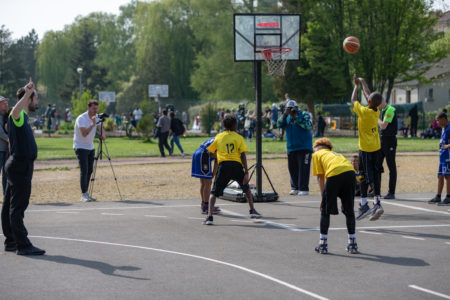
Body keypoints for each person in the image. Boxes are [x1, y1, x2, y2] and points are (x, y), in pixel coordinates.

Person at [1, 78, 45, 255]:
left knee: (10, 205)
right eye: (35, 98)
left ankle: (11, 241)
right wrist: (28, 92)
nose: (37, 102)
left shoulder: (23, 118)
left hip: (16, 164)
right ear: (28, 99)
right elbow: (14, 112)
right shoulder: (17, 115)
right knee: (18, 207)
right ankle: (23, 245)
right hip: (20, 166)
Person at [203, 114, 262, 225]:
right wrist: (246, 171)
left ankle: (209, 217)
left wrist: (218, 156)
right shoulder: (238, 137)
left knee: (214, 192)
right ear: (235, 125)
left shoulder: (219, 137)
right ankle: (252, 210)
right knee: (246, 189)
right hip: (236, 165)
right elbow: (243, 155)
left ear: (224, 125)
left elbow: (210, 151)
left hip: (223, 165)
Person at [312, 138, 358, 254]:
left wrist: (323, 199)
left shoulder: (317, 154)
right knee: (349, 210)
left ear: (318, 148)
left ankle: (323, 243)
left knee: (325, 210)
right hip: (350, 173)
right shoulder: (336, 154)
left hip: (334, 174)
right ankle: (352, 243)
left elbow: (320, 177)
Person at [352, 75, 384, 221]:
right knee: (376, 175)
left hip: (365, 149)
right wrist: (363, 81)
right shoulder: (376, 111)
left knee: (364, 176)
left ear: (369, 102)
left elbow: (354, 100)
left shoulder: (363, 112)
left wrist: (356, 86)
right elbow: (368, 94)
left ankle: (366, 204)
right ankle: (376, 202)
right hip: (377, 148)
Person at [277, 100, 313, 196]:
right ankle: (295, 187)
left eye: (293, 108)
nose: (292, 110)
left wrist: (296, 117)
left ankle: (304, 188)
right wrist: (285, 114)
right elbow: (278, 124)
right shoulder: (287, 117)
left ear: (297, 107)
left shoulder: (304, 114)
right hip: (291, 147)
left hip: (304, 147)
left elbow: (308, 125)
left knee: (303, 168)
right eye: (289, 108)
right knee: (292, 168)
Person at [73, 100, 105, 202]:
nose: (96, 111)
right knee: (84, 170)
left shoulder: (97, 118)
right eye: (94, 108)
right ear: (88, 108)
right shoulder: (81, 119)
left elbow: (101, 128)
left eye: (97, 108)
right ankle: (83, 195)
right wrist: (93, 124)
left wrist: (103, 134)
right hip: (80, 147)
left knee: (90, 170)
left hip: (90, 147)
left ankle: (86, 193)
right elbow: (84, 134)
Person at [191, 137, 220, 214]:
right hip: (204, 155)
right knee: (208, 183)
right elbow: (217, 159)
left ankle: (204, 204)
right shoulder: (222, 141)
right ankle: (207, 206)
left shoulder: (217, 137)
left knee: (203, 183)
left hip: (197, 153)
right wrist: (213, 174)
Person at [428, 112, 450, 205]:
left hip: (448, 157)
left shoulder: (449, 129)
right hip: (442, 156)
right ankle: (438, 196)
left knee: (448, 176)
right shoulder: (443, 129)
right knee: (440, 176)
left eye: (438, 120)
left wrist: (447, 146)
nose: (437, 122)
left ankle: (449, 197)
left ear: (444, 119)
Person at [378, 98, 398, 199]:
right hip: (381, 141)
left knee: (391, 166)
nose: (377, 106)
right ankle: (376, 191)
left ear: (382, 101)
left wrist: (376, 118)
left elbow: (383, 126)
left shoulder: (390, 109)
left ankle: (391, 192)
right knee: (377, 166)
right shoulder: (381, 110)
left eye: (378, 104)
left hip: (389, 141)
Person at [0, 96, 9, 195]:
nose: (6, 104)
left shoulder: (5, 115)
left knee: (6, 174)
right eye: (3, 103)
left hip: (5, 150)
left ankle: (5, 195)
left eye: (6, 102)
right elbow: (0, 132)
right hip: (0, 150)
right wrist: (9, 139)